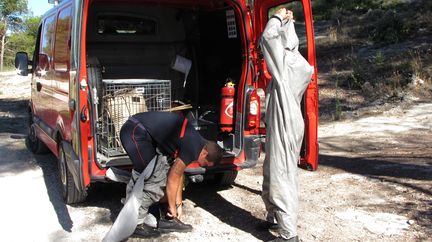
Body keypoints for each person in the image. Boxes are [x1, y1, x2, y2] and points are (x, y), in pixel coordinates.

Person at [103, 111, 224, 241]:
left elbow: (179, 174)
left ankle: (165, 218)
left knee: (158, 172)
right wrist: (172, 207)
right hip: (134, 132)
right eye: (206, 163)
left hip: (140, 132)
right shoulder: (193, 148)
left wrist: (178, 205)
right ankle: (135, 224)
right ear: (205, 153)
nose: (203, 166)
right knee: (153, 181)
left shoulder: (197, 143)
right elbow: (173, 178)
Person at [259, 7, 314, 242]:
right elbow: (278, 39)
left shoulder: (286, 64)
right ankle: (273, 217)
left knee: (282, 175)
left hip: (284, 122)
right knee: (272, 170)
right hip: (287, 121)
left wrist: (276, 17)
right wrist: (287, 22)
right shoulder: (299, 62)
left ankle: (288, 235)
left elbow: (268, 37)